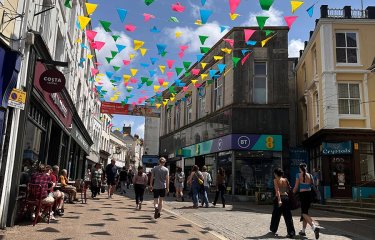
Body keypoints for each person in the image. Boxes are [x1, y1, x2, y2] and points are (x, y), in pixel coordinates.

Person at [293, 163, 320, 239]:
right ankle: (303, 231)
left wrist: (291, 194)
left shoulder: (298, 175)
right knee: (305, 212)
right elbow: (313, 184)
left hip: (303, 195)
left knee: (304, 213)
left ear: (300, 168)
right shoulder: (310, 175)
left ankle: (314, 227)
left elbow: (296, 186)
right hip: (309, 195)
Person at [270, 168, 295, 238]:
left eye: (274, 173)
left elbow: (277, 191)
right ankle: (291, 232)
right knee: (288, 216)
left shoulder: (275, 180)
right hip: (286, 198)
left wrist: (279, 200)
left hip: (279, 198)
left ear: (276, 174)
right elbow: (288, 189)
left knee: (276, 215)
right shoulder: (285, 180)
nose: (274, 175)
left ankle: (273, 229)